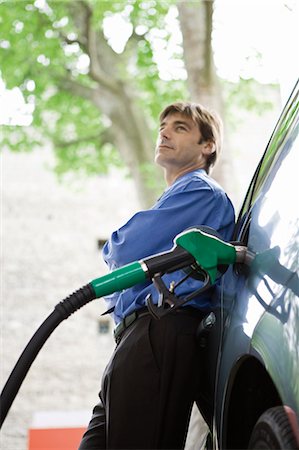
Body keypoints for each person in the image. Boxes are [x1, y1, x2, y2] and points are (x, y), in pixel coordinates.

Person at [78, 102, 235, 450]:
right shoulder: (175, 197)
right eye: (163, 126)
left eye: (180, 128)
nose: (164, 132)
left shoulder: (201, 192)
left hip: (160, 330)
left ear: (207, 146)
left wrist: (117, 247)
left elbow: (122, 248)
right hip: (136, 339)